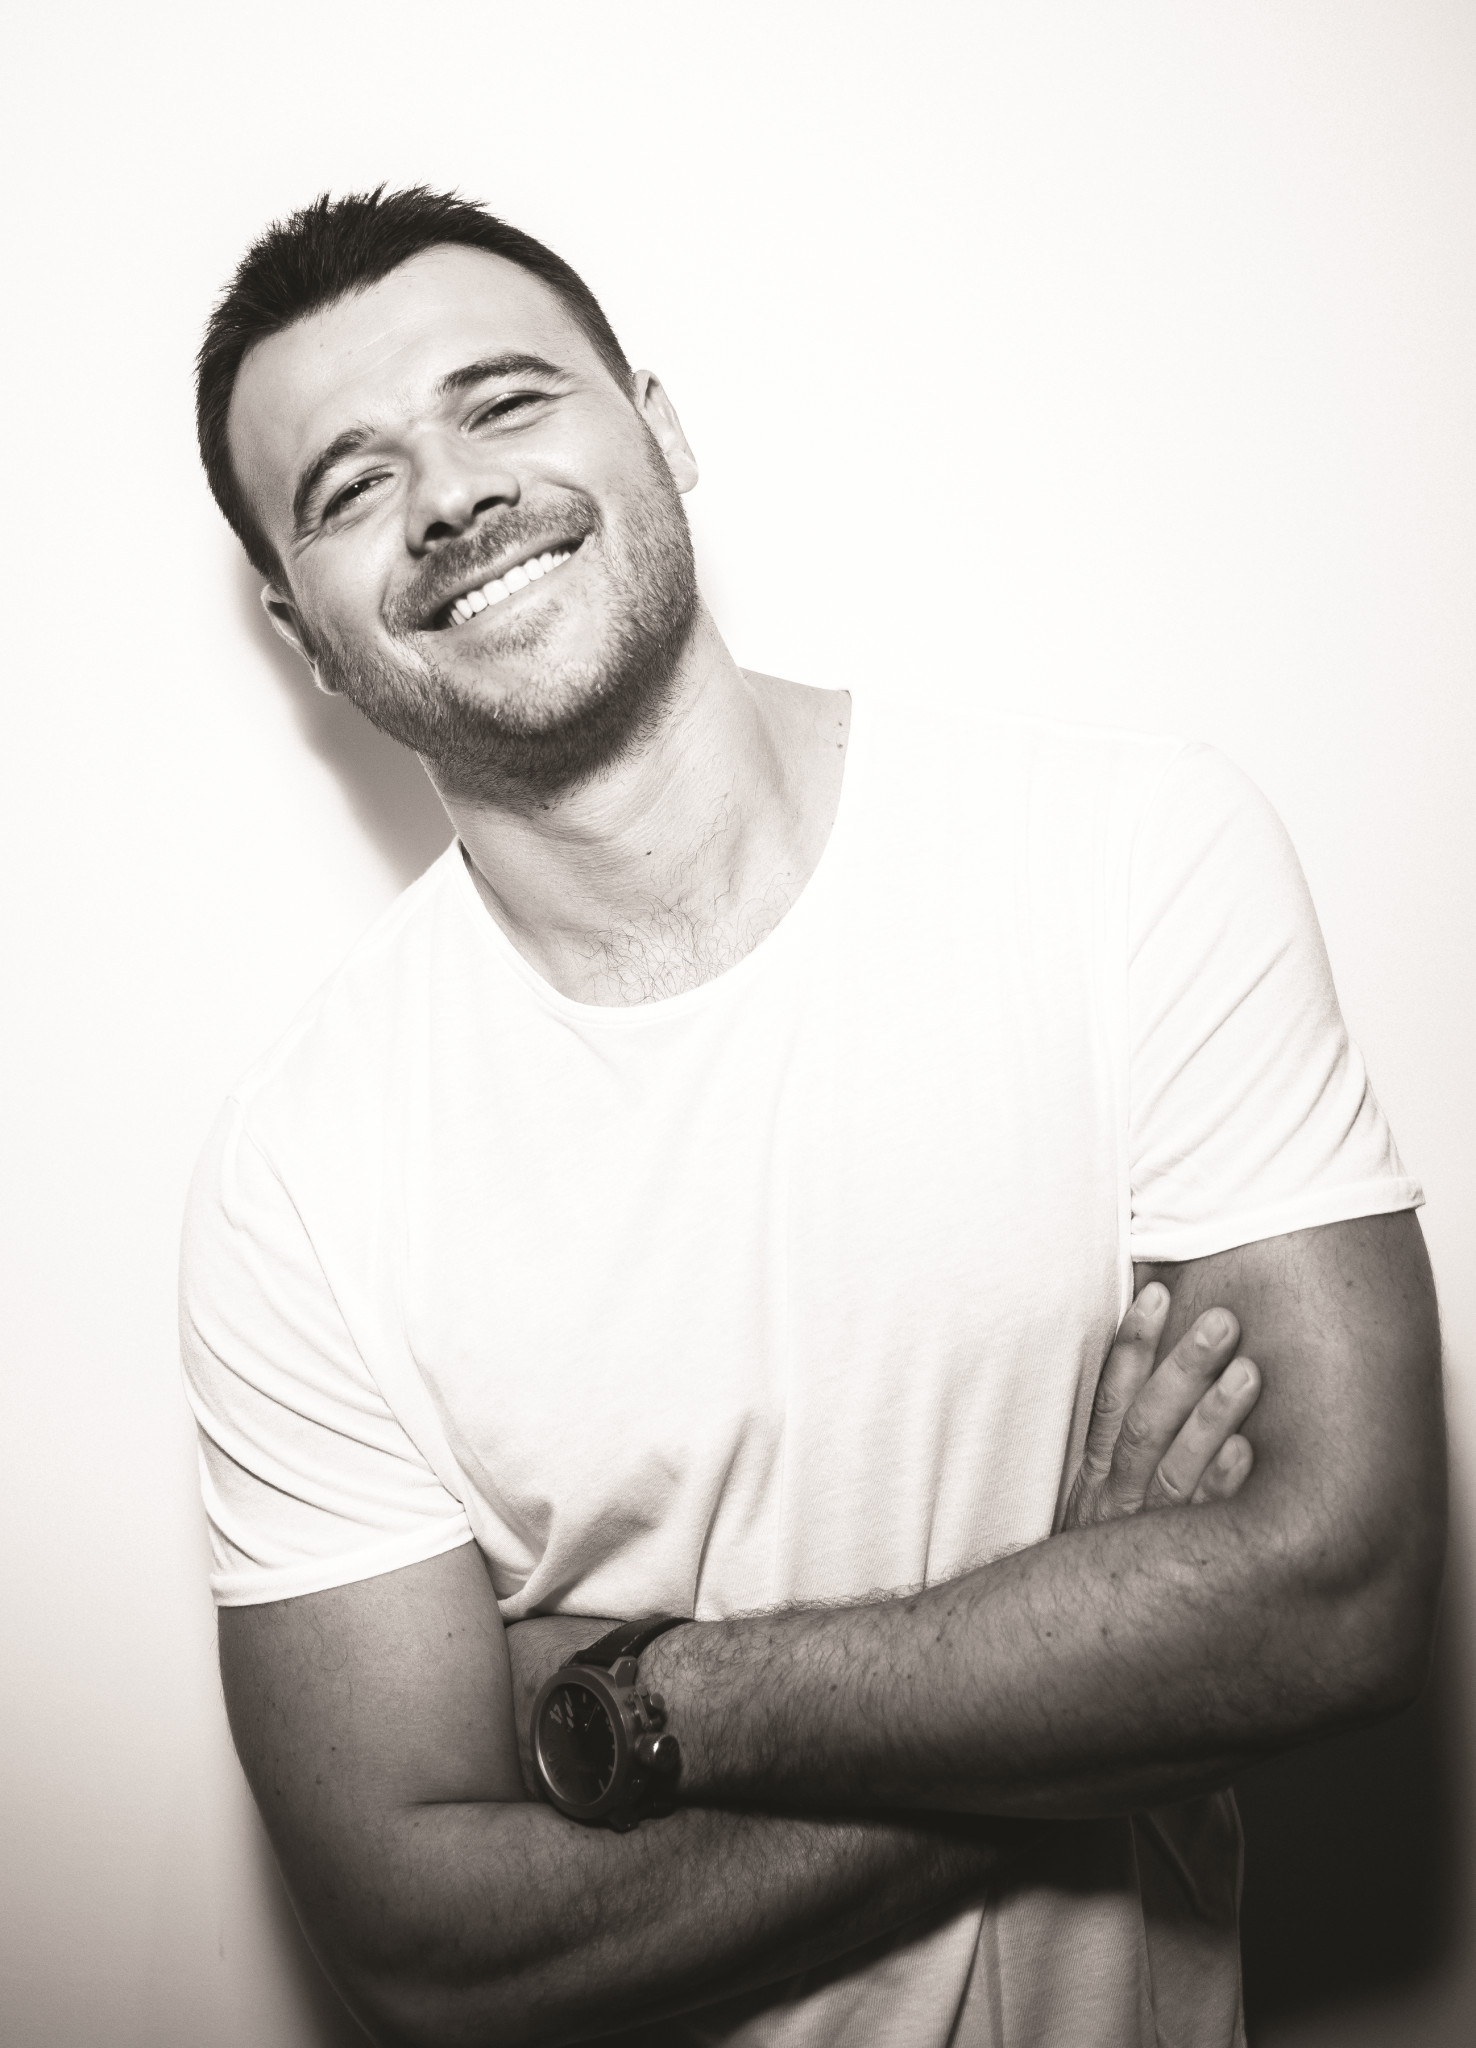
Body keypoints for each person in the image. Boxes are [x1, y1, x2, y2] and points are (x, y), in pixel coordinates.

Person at [181, 186, 1444, 2048]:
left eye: (505, 401)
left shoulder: (1128, 865)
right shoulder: (299, 1180)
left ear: (660, 428)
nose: (449, 497)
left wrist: (642, 1704)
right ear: (306, 632)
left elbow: (1339, 1595)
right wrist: (1097, 1653)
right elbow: (431, 1951)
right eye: (352, 486)